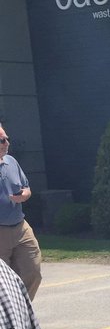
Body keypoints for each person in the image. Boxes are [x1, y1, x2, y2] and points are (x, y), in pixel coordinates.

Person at [0, 122, 42, 300]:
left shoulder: (12, 162)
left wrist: (25, 195)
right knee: (3, 283)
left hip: (20, 227)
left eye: (7, 138)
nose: (7, 143)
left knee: (33, 271)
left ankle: (22, 308)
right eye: (2, 140)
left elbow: (26, 187)